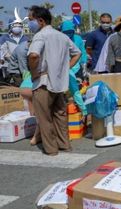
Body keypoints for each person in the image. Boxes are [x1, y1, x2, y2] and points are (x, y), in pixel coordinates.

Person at [27, 6, 81, 155]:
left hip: (43, 82)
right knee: (60, 115)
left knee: (44, 118)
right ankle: (65, 145)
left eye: (31, 20)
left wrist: (34, 73)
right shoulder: (62, 36)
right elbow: (78, 53)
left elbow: (33, 56)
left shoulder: (40, 35)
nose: (29, 23)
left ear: (41, 21)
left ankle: (51, 149)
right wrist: (65, 69)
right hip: (60, 83)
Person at [60, 20, 88, 116]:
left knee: (78, 89)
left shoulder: (78, 39)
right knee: (69, 91)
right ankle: (81, 109)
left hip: (76, 68)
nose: (68, 34)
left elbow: (82, 52)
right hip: (64, 68)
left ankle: (81, 109)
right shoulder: (60, 40)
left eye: (70, 32)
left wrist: (84, 64)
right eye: (66, 33)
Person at [0, 15, 28, 84]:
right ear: (10, 26)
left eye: (19, 25)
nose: (17, 27)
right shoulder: (4, 38)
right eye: (15, 25)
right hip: (8, 67)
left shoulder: (26, 38)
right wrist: (15, 60)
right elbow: (4, 52)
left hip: (23, 67)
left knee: (25, 84)